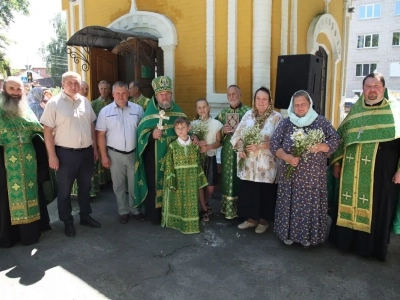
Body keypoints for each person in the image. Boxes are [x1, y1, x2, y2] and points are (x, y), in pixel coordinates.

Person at [329, 72, 400, 261]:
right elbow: (340, 138)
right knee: (347, 202)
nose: (372, 90)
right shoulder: (356, 111)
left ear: (383, 89)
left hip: (381, 174)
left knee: (377, 208)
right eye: (368, 87)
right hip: (351, 172)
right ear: (363, 89)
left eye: (376, 86)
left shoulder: (394, 111)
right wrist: (337, 162)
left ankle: (369, 249)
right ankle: (345, 243)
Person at [270, 90, 339, 247]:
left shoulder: (320, 122)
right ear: (292, 106)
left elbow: (335, 139)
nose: (300, 108)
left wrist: (322, 146)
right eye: (296, 105)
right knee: (290, 204)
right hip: (291, 177)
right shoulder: (286, 123)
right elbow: (274, 144)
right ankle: (288, 235)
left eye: (303, 104)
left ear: (310, 105)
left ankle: (308, 237)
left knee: (309, 206)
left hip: (313, 177)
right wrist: (286, 157)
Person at [41, 71, 101, 238]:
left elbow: (91, 125)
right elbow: (47, 131)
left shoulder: (85, 101)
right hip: (65, 154)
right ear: (63, 84)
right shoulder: (54, 103)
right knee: (65, 190)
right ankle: (67, 221)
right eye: (70, 83)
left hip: (86, 152)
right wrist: (51, 156)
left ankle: (85, 216)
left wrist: (94, 148)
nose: (74, 86)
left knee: (85, 187)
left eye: (76, 83)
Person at [0, 76, 52, 247]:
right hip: (7, 169)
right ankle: (10, 236)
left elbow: (37, 133)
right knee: (6, 201)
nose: (15, 93)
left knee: (33, 196)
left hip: (30, 166)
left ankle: (30, 234)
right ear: (4, 90)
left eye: (19, 89)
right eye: (12, 89)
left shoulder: (27, 110)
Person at [134, 76, 187, 223]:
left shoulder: (178, 113)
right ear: (156, 95)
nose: (165, 96)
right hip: (154, 160)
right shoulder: (149, 114)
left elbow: (187, 130)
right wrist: (151, 135)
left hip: (175, 160)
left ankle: (173, 214)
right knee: (154, 185)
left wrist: (193, 136)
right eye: (161, 94)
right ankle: (155, 216)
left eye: (168, 93)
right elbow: (141, 134)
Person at [231, 87, 282, 233]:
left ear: (269, 101)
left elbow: (280, 142)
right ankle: (251, 219)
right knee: (249, 190)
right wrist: (241, 148)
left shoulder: (276, 118)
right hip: (248, 164)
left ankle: (263, 221)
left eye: (264, 99)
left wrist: (260, 146)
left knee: (265, 192)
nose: (261, 102)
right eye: (258, 99)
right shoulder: (248, 115)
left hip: (266, 166)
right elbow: (237, 136)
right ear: (254, 101)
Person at [96, 81, 145, 224]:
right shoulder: (105, 112)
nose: (121, 96)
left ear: (128, 93)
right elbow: (100, 135)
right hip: (114, 154)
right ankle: (123, 211)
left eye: (124, 93)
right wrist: (104, 155)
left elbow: (143, 132)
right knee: (118, 185)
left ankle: (135, 210)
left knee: (134, 184)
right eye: (117, 93)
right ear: (113, 94)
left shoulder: (138, 109)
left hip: (134, 153)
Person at [161, 117, 208, 234]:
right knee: (179, 201)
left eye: (183, 127)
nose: (180, 130)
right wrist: (171, 180)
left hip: (192, 179)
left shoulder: (195, 145)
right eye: (177, 128)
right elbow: (168, 165)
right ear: (175, 130)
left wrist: (199, 177)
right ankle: (177, 223)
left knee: (191, 202)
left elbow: (199, 161)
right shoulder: (172, 146)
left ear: (189, 128)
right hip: (179, 178)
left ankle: (192, 226)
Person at [216, 85, 251, 219]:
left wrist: (241, 130)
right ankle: (227, 210)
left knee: (241, 180)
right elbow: (216, 134)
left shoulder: (249, 112)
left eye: (234, 93)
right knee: (227, 179)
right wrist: (222, 131)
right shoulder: (222, 114)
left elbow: (254, 132)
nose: (231, 96)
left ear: (240, 94)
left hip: (243, 153)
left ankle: (243, 211)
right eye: (229, 94)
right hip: (227, 153)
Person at [191, 98, 223, 221]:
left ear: (208, 108)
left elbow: (219, 142)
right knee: (199, 184)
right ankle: (204, 209)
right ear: (196, 110)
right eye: (199, 108)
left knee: (210, 187)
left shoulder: (216, 124)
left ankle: (204, 202)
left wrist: (208, 147)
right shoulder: (193, 125)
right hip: (198, 158)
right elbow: (190, 141)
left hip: (210, 157)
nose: (202, 110)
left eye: (204, 107)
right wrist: (197, 142)